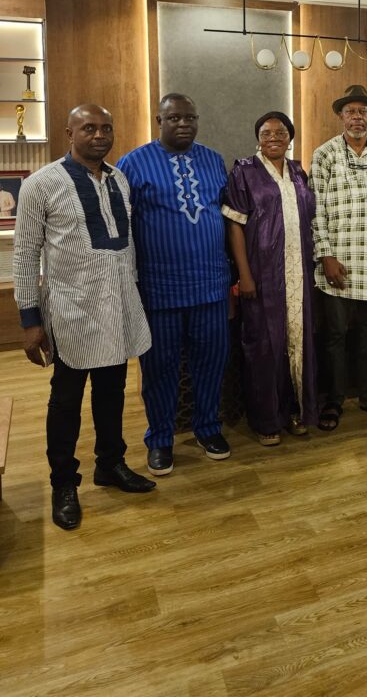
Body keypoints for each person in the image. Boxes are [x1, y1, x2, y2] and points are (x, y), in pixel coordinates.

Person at [13, 104, 155, 531]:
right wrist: (30, 320)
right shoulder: (41, 184)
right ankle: (63, 483)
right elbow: (25, 254)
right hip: (71, 309)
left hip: (118, 305)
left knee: (112, 392)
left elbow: (127, 246)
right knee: (66, 401)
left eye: (106, 128)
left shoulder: (120, 179)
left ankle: (110, 464)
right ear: (69, 132)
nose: (99, 135)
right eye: (88, 128)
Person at [117, 93, 232, 476]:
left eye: (189, 117)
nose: (183, 124)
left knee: (211, 363)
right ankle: (160, 438)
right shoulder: (133, 163)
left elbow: (228, 217)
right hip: (159, 290)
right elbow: (123, 227)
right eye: (174, 118)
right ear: (159, 121)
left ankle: (208, 428)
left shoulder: (213, 160)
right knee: (160, 368)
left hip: (211, 287)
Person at [223, 112, 319, 445]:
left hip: (298, 274)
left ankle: (294, 411)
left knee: (297, 344)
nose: (274, 137)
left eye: (281, 132)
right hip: (262, 275)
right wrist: (244, 275)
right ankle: (266, 420)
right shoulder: (244, 172)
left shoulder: (298, 172)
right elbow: (234, 225)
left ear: (290, 137)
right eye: (266, 133)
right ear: (258, 138)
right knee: (264, 347)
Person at [309, 85, 367, 430]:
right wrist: (326, 255)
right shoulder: (325, 154)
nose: (357, 117)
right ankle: (334, 400)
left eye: (363, 111)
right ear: (340, 116)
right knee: (335, 336)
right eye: (350, 111)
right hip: (337, 263)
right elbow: (316, 209)